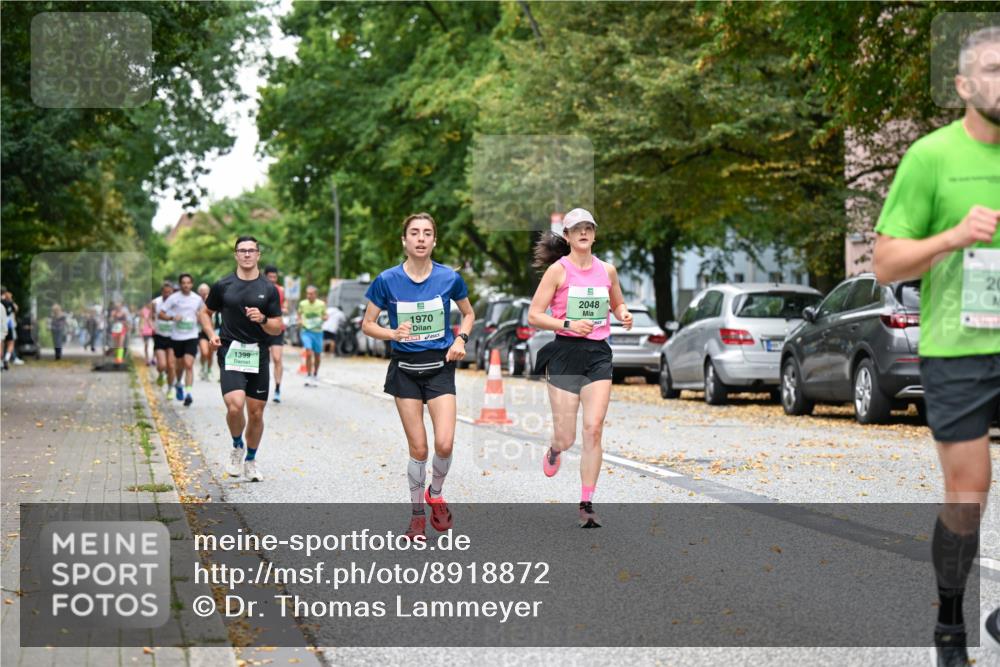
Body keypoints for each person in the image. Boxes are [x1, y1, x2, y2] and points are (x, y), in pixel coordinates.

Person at [871, 26, 1000, 666]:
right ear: (964, 85)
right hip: (959, 346)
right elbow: (885, 263)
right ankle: (950, 622)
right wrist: (952, 236)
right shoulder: (931, 157)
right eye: (995, 70)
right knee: (968, 490)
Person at [362, 213, 474, 541]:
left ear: (434, 241)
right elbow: (367, 324)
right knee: (420, 449)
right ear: (404, 240)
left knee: (445, 443)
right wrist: (392, 333)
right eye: (414, 233)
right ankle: (416, 517)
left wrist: (460, 340)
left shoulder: (449, 278)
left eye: (427, 233)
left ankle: (434, 493)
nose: (421, 238)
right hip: (405, 371)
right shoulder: (387, 280)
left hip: (440, 367)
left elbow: (468, 313)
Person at [527, 208, 632, 529]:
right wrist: (568, 324)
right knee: (567, 436)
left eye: (589, 228)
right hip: (564, 354)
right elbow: (534, 315)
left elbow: (617, 303)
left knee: (593, 429)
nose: (584, 233)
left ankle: (587, 503)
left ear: (594, 234)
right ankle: (555, 449)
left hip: (598, 354)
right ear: (568, 236)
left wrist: (624, 314)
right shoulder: (558, 271)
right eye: (577, 229)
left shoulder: (607, 270)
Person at [200, 236, 282, 482]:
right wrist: (211, 334)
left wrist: (263, 319)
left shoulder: (268, 289)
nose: (247, 254)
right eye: (242, 250)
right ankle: (237, 445)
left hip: (258, 353)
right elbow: (205, 313)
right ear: (236, 255)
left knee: (256, 413)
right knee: (235, 406)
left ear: (258, 255)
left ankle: (251, 460)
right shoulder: (223, 285)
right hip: (231, 351)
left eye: (251, 250)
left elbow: (277, 327)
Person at [161, 274, 204, 406]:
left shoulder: (197, 299)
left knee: (188, 364)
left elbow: (204, 314)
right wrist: (172, 318)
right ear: (180, 285)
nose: (186, 285)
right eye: (183, 283)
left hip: (192, 336)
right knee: (179, 366)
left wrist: (200, 317)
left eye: (188, 283)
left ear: (192, 284)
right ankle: (179, 383)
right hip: (177, 337)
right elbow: (161, 313)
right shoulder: (173, 298)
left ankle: (188, 394)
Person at [263, 265, 288, 403]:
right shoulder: (259, 288)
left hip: (278, 328)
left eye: (275, 277)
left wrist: (284, 308)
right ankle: (262, 386)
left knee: (277, 358)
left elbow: (285, 305)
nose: (272, 279)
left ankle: (277, 388)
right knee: (264, 360)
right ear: (265, 276)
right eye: (270, 277)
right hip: (263, 328)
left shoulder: (281, 290)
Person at [296, 284, 327, 385]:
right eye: (308, 294)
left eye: (311, 294)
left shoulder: (321, 304)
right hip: (306, 331)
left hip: (318, 332)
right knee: (308, 352)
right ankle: (309, 375)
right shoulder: (302, 304)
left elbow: (325, 315)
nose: (309, 296)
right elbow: (299, 315)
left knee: (317, 355)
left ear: (315, 294)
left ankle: (315, 374)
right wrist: (299, 321)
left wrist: (324, 318)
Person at [150, 282, 175, 388]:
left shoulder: (176, 303)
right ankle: (160, 374)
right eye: (165, 292)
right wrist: (152, 325)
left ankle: (170, 388)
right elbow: (151, 317)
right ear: (162, 292)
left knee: (171, 365)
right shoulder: (155, 302)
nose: (167, 294)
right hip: (159, 336)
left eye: (170, 292)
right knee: (162, 365)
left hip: (173, 337)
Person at [196, 283, 215, 381]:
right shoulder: (196, 303)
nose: (204, 293)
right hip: (202, 332)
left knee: (210, 354)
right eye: (202, 291)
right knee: (204, 352)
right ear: (199, 293)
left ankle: (209, 370)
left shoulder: (214, 302)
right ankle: (203, 367)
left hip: (213, 332)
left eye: (206, 291)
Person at [2, 288, 15, 370]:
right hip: (7, 325)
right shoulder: (9, 302)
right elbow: (16, 309)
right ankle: (6, 359)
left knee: (1, 343)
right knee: (10, 343)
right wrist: (10, 299)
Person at [139, 300, 155, 366]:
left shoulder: (154, 310)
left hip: (153, 330)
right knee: (146, 344)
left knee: (156, 344)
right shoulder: (143, 310)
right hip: (145, 330)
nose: (150, 305)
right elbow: (141, 320)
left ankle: (153, 359)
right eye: (149, 304)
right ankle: (147, 359)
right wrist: (141, 328)